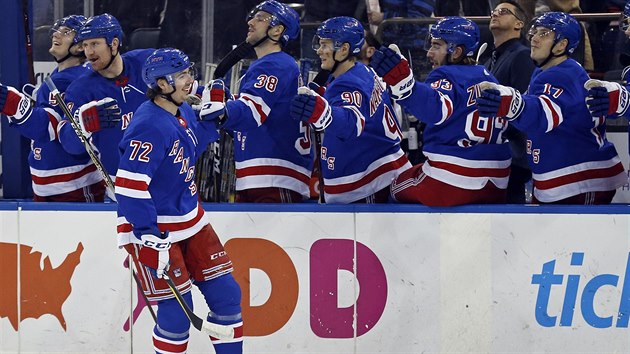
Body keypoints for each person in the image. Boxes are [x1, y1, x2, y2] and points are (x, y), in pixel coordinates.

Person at [115, 48, 243, 354]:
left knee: (227, 296)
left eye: (189, 72)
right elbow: (129, 187)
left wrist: (213, 121)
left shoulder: (181, 110)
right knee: (176, 316)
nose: (190, 81)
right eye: (182, 76)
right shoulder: (148, 126)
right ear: (162, 84)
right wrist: (147, 235)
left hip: (190, 220)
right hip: (154, 231)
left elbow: (187, 149)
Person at [477, 12, 626, 204]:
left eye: (544, 34)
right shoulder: (545, 71)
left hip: (579, 180)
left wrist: (511, 104)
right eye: (535, 32)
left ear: (562, 45)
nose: (534, 39)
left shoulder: (565, 76)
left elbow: (544, 113)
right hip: (559, 177)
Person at [369, 16, 512, 206]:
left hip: (450, 182)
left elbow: (435, 108)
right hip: (496, 184)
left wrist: (404, 83)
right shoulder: (489, 77)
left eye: (436, 46)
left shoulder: (446, 75)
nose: (429, 53)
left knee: (393, 187)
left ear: (456, 52)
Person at [290, 16, 411, 203]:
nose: (320, 51)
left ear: (344, 49)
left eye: (325, 45)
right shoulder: (364, 71)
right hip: (385, 170)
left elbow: (351, 122)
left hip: (367, 183)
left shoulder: (348, 84)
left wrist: (325, 113)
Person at [203, 0, 313, 203]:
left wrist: (223, 110)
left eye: (261, 18)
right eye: (253, 17)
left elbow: (251, 111)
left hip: (275, 176)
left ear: (277, 30)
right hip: (262, 174)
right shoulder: (267, 66)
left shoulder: (275, 64)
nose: (251, 22)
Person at [0, 15, 105, 202]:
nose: (56, 35)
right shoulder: (61, 75)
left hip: (74, 184)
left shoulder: (75, 81)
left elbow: (49, 128)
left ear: (81, 46)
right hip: (50, 183)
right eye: (57, 30)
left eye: (66, 32)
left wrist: (13, 103)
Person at [58, 13, 155, 191]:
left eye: (95, 44)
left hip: (164, 180)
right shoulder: (80, 90)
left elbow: (183, 85)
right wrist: (83, 123)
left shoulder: (145, 63)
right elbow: (69, 144)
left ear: (114, 44)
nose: (89, 51)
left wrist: (205, 95)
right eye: (85, 45)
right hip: (120, 187)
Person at [486, 0, 536, 203]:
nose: (495, 14)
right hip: (497, 154)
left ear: (519, 24)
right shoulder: (490, 60)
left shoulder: (522, 55)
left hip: (514, 157)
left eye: (504, 12)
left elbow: (524, 106)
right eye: (494, 11)